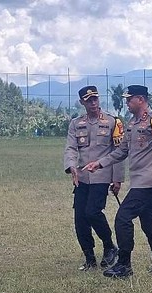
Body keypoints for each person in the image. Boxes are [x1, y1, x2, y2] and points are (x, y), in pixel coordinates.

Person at [83, 85, 152, 278]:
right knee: (150, 220)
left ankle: (124, 264)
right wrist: (99, 163)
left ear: (141, 99)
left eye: (129, 99)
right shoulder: (132, 123)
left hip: (149, 181)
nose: (126, 103)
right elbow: (121, 151)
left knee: (123, 218)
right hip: (138, 181)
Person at [63, 86, 124, 271]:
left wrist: (118, 179)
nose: (93, 102)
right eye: (88, 100)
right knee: (80, 219)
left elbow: (118, 152)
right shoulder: (76, 124)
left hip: (102, 176)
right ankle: (89, 258)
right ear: (82, 102)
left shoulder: (112, 122)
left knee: (92, 212)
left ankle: (109, 245)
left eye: (95, 98)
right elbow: (71, 148)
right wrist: (71, 166)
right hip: (81, 177)